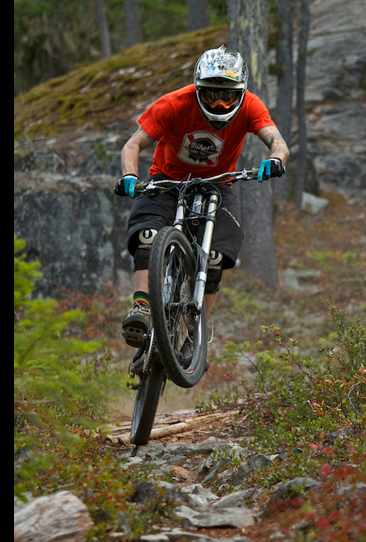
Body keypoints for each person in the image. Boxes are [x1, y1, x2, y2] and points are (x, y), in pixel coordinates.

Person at [114, 44, 289, 350]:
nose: (221, 105)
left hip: (218, 185)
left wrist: (275, 160)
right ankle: (141, 307)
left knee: (218, 254)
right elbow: (133, 145)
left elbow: (277, 141)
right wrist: (130, 176)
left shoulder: (250, 106)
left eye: (228, 96)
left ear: (242, 92)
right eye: (211, 95)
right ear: (197, 89)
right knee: (148, 234)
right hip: (167, 181)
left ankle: (197, 331)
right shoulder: (173, 104)